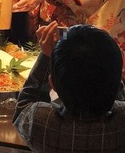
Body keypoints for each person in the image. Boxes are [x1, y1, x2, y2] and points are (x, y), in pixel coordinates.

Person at [13, 21, 125, 152]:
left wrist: (45, 56)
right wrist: (104, 45)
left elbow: (22, 108)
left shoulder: (41, 122)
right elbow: (118, 95)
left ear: (52, 83)